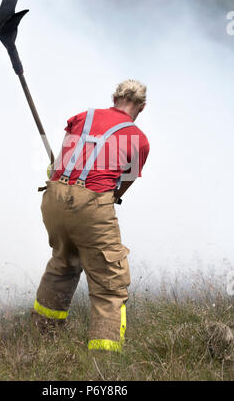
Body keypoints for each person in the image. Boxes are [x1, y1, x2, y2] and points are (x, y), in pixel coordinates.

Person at [32, 79, 150, 352]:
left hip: (53, 198)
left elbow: (62, 160)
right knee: (110, 283)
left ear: (114, 98)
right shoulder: (138, 139)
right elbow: (123, 183)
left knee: (62, 263)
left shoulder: (82, 118)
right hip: (91, 205)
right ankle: (103, 361)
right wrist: (108, 198)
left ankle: (41, 342)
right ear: (142, 107)